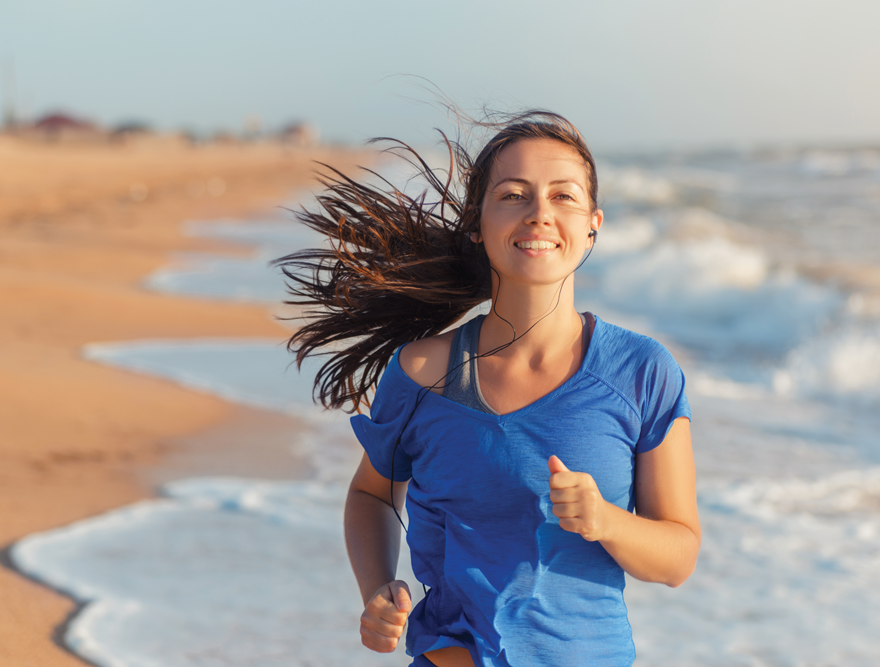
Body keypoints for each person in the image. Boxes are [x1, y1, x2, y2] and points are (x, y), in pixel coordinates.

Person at [275, 111, 700, 666]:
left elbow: (677, 557)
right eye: (514, 195)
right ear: (478, 223)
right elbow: (371, 494)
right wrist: (376, 589)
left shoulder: (642, 371)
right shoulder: (422, 372)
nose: (540, 214)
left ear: (593, 222)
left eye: (563, 197)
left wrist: (606, 521)